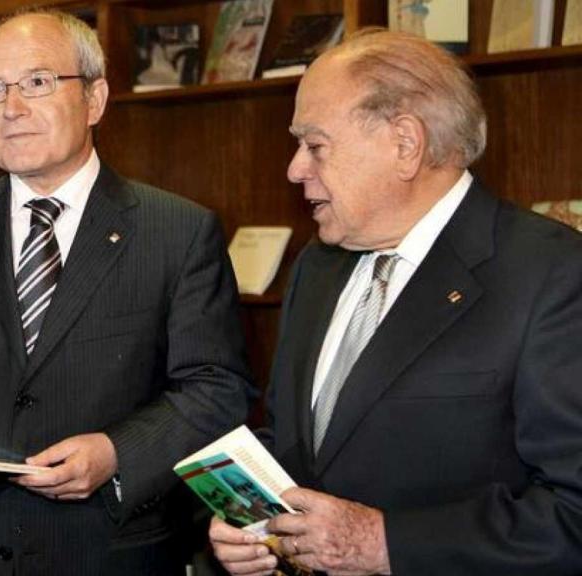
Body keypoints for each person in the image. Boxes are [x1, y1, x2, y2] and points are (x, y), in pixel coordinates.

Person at [0, 9, 253, 575]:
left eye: (37, 83)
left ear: (96, 99)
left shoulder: (178, 232)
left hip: (108, 551)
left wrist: (117, 454)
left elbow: (215, 390)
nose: (12, 108)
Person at [209, 29, 582, 576]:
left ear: (404, 144)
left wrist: (387, 543)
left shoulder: (553, 275)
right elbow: (300, 439)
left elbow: (573, 512)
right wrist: (248, 520)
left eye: (315, 145)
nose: (295, 169)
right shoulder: (318, 265)